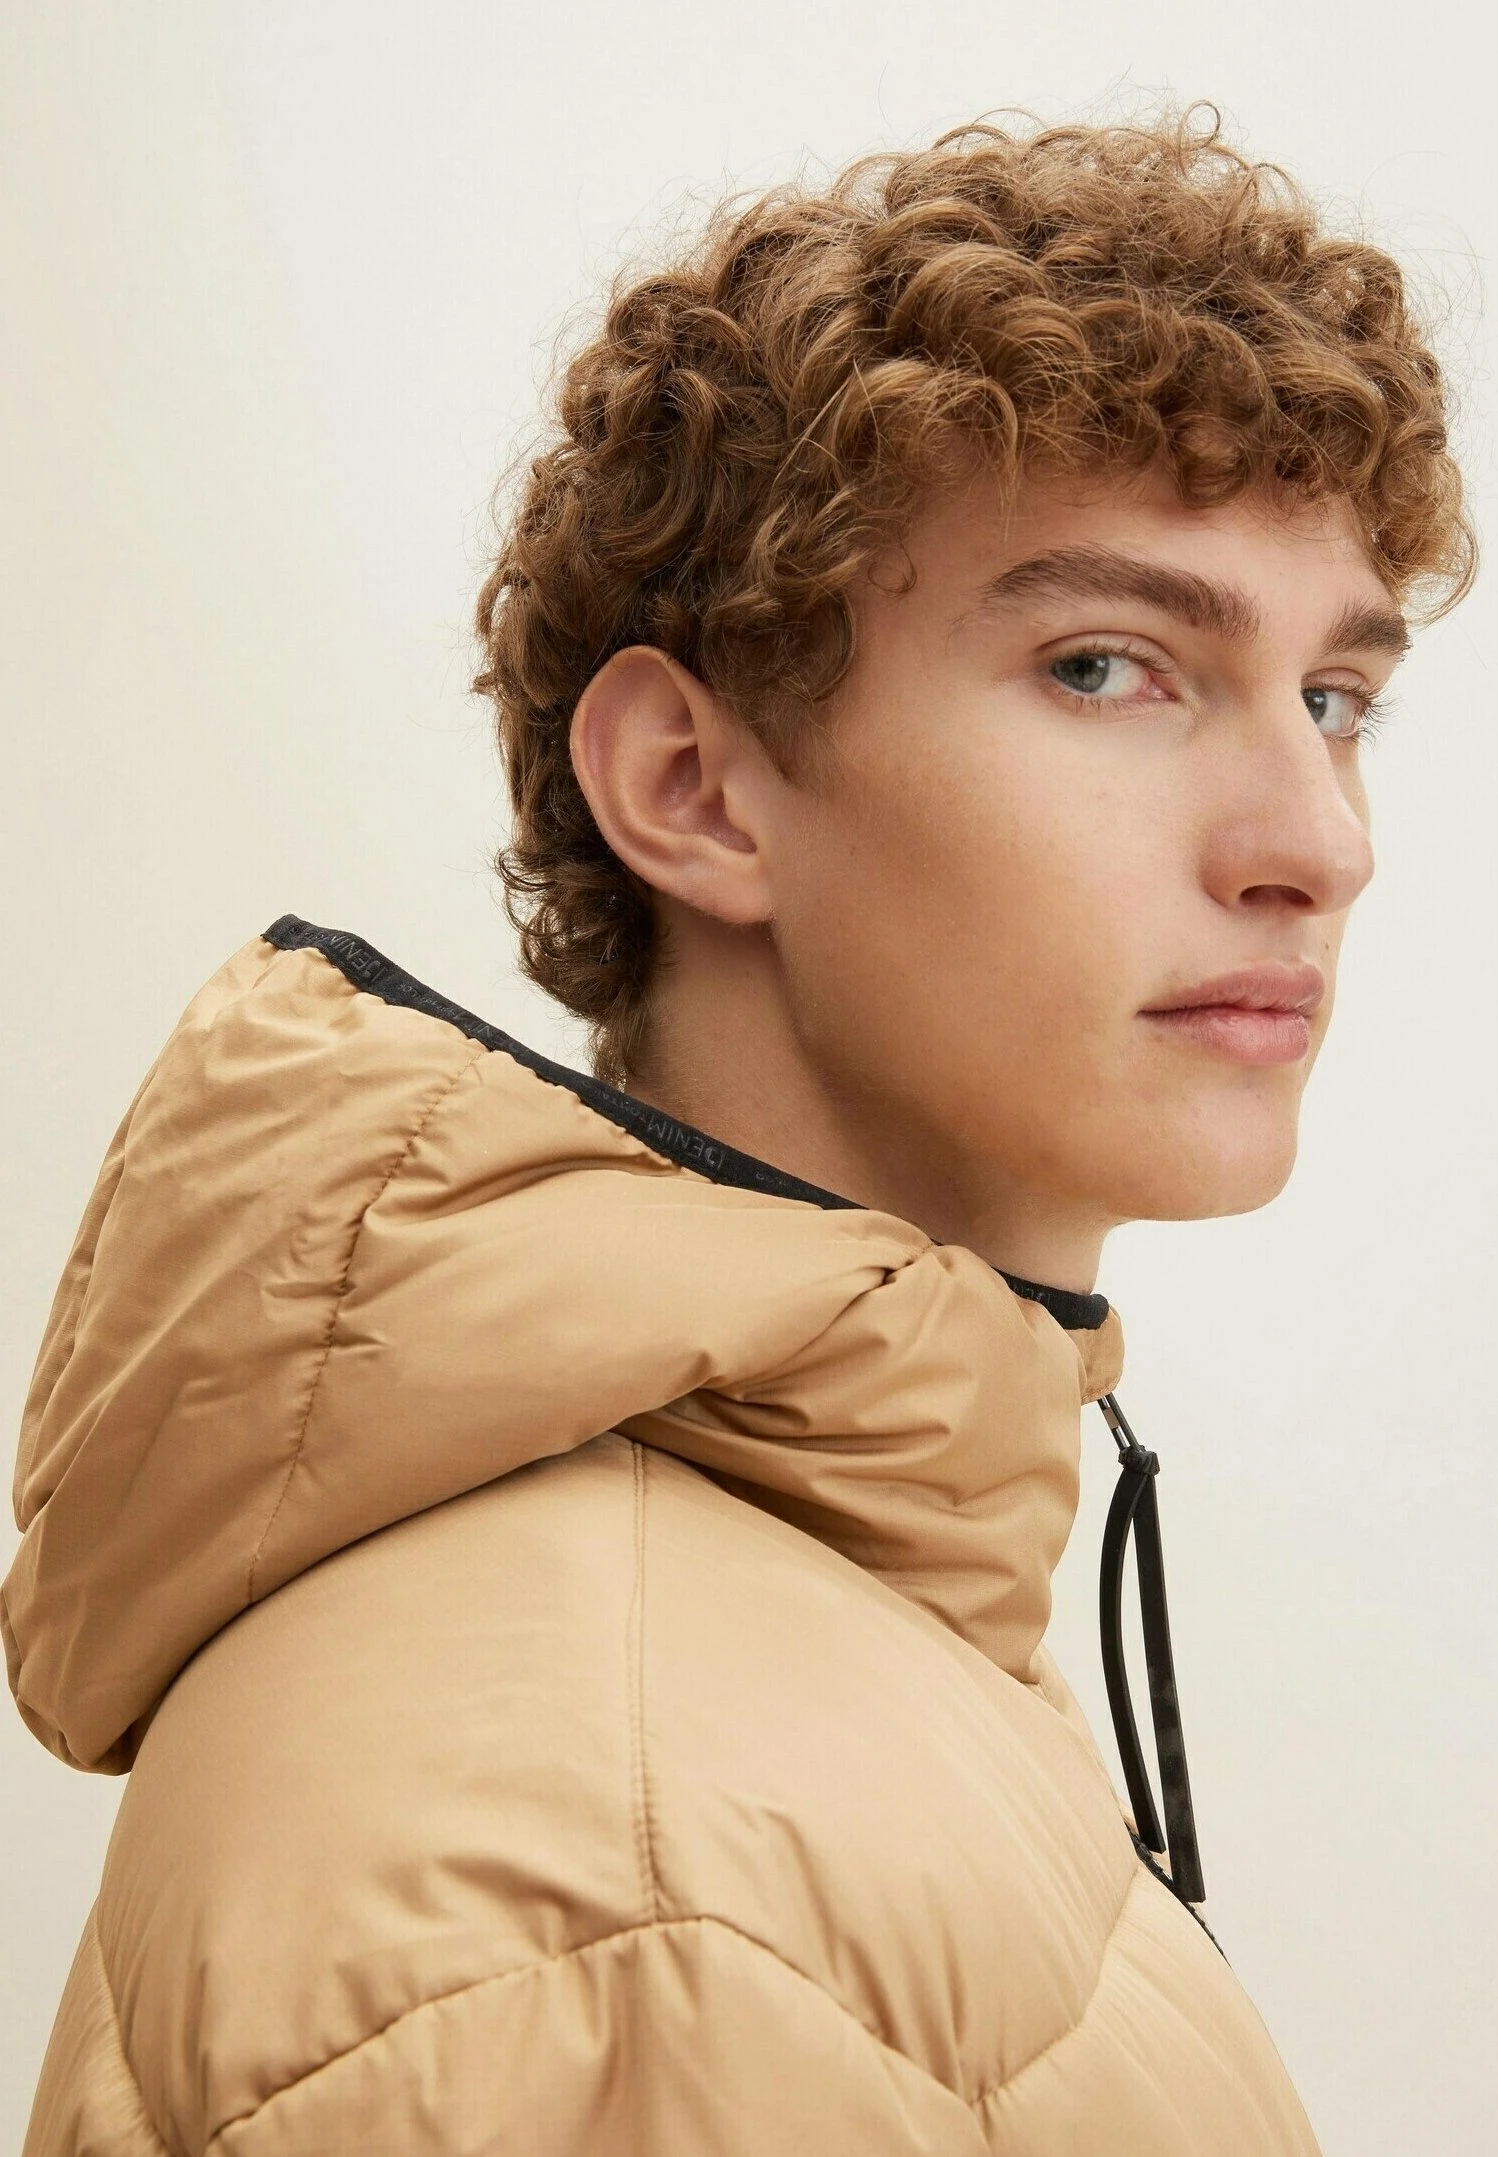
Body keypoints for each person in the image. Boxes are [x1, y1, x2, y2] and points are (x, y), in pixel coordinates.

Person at [5, 109, 1472, 2155]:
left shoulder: (796, 1622)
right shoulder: (620, 1884)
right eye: (1106, 667)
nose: (1315, 841)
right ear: (692, 788)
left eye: (1332, 700)